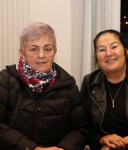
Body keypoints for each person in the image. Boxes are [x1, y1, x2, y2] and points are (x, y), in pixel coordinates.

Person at [0, 22, 88, 150]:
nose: (41, 55)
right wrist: (32, 148)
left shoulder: (68, 86)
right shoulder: (5, 79)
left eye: (47, 49)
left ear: (55, 52)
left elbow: (81, 129)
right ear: (22, 53)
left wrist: (63, 148)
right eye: (34, 49)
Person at [80, 29, 128, 150]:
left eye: (114, 47)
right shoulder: (89, 82)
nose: (108, 53)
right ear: (97, 57)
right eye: (102, 49)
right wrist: (102, 139)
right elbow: (81, 126)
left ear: (126, 51)